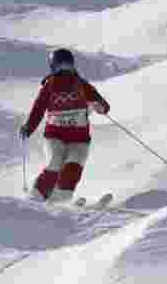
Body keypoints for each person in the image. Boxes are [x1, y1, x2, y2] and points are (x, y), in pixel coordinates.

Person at [19, 48, 111, 202]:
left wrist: (100, 106)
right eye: (61, 66)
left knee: (73, 167)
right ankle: (36, 196)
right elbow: (38, 109)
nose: (64, 70)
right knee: (54, 161)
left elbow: (103, 105)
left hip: (79, 139)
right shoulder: (50, 85)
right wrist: (28, 127)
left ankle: (59, 200)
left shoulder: (81, 84)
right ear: (54, 67)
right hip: (55, 137)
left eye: (67, 66)